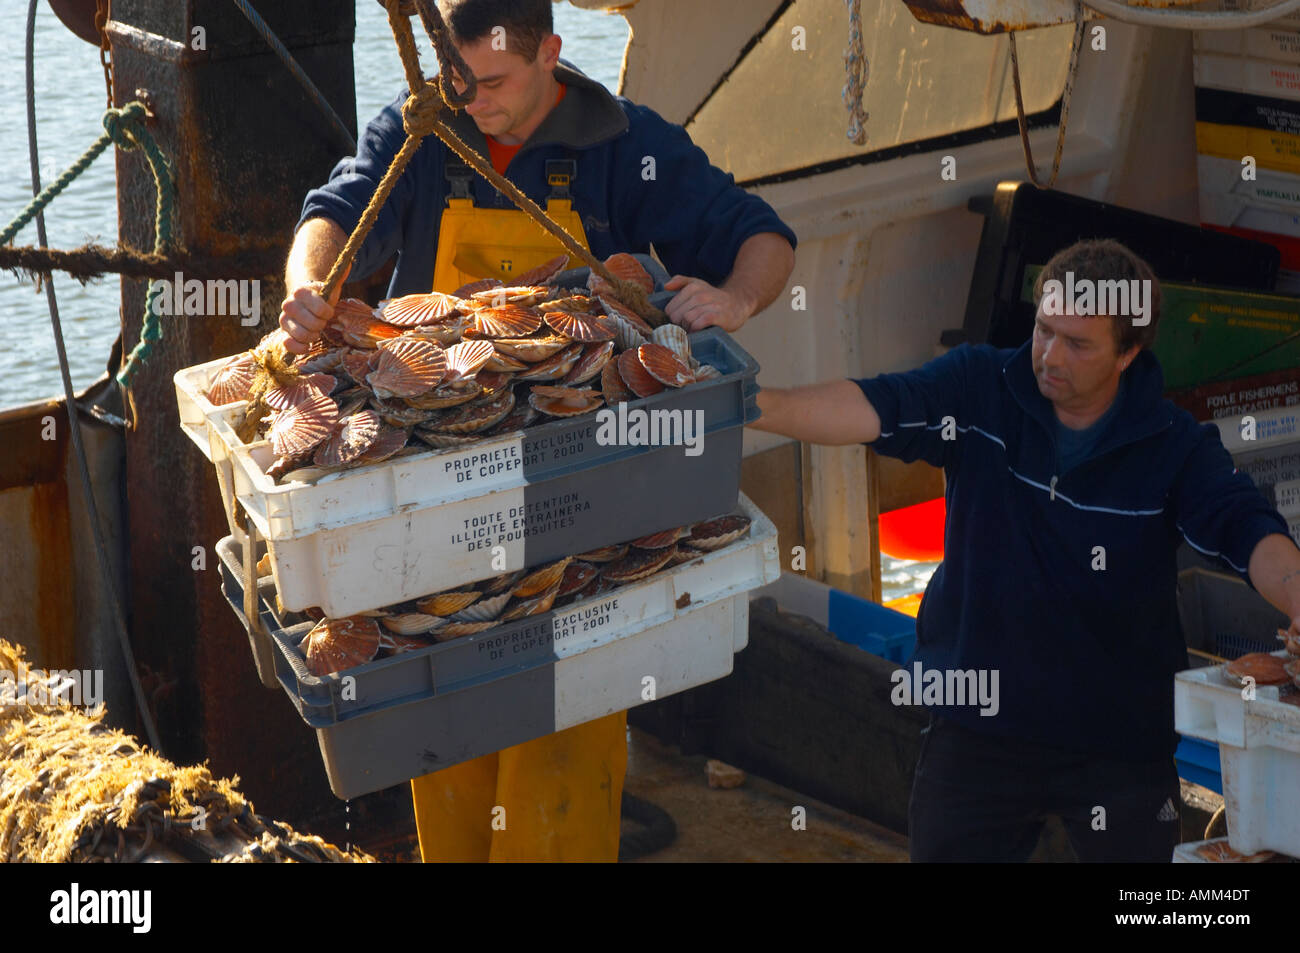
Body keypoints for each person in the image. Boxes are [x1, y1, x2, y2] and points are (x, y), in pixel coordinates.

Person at [277, 0, 796, 862]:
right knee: (442, 749)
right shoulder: (424, 127)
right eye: (455, 78)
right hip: (433, 502)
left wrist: (734, 299)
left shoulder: (630, 147)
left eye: (493, 82)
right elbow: (334, 208)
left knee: (561, 754)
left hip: (577, 511)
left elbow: (764, 233)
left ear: (551, 52)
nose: (470, 99)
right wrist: (309, 284)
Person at [751, 238, 1300, 862]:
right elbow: (875, 405)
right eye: (1044, 330)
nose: (1049, 357)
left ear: (1129, 354)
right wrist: (754, 406)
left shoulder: (1175, 447)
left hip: (1116, 741)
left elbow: (1246, 528)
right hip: (976, 722)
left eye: (1078, 343)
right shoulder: (980, 387)